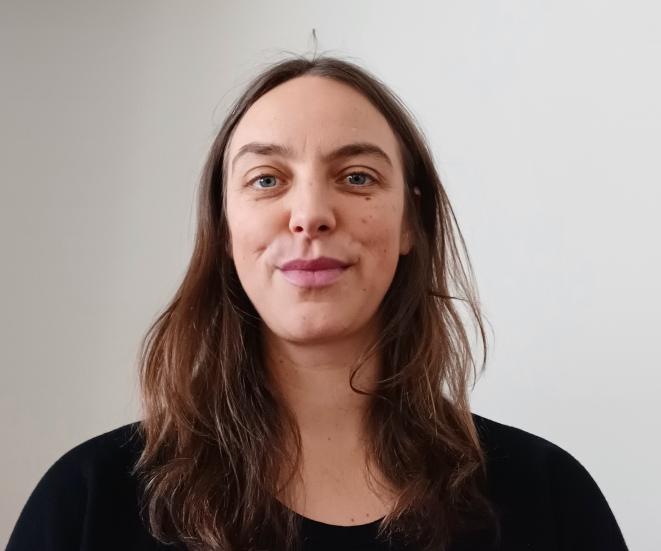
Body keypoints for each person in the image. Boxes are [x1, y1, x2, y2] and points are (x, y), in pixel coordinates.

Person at [6, 55, 629, 551]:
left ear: (411, 223)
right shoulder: (89, 501)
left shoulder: (549, 498)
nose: (310, 215)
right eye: (267, 180)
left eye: (357, 176)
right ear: (224, 232)